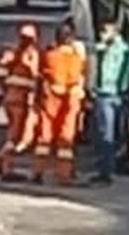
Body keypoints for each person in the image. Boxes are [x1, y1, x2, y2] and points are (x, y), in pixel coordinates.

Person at [32, 22, 87, 186]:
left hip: (50, 101)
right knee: (65, 141)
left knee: (44, 138)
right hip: (69, 103)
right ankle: (63, 175)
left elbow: (41, 75)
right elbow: (78, 77)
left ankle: (38, 171)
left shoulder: (50, 55)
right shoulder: (76, 58)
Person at [0, 22, 41, 181]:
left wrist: (4, 88)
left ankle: (6, 168)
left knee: (13, 134)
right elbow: (35, 78)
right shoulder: (31, 56)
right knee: (18, 137)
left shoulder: (12, 53)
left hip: (11, 98)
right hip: (21, 100)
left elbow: (0, 73)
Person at [90, 17, 129, 186]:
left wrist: (123, 85)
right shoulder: (119, 48)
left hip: (108, 94)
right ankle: (108, 167)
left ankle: (105, 172)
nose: (101, 35)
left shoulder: (119, 50)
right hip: (116, 95)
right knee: (113, 134)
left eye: (105, 31)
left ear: (114, 32)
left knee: (106, 134)